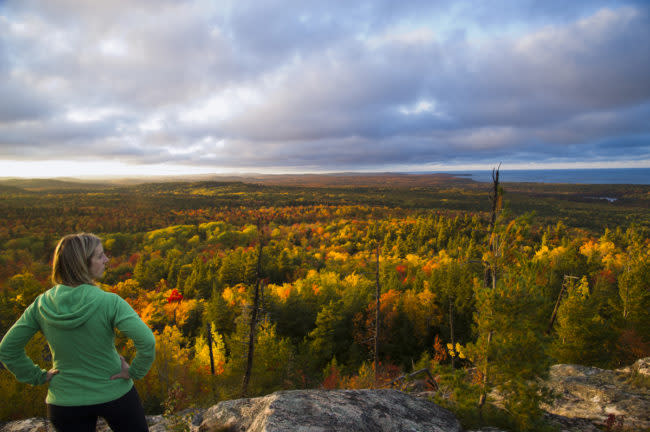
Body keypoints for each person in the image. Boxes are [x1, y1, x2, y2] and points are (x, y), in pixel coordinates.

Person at [0, 233, 156, 431]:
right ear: (83, 264)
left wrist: (36, 376)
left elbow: (7, 349)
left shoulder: (41, 304)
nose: (106, 260)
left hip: (65, 401)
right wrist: (134, 371)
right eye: (100, 256)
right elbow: (147, 341)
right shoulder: (109, 302)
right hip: (114, 392)